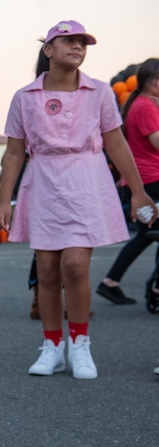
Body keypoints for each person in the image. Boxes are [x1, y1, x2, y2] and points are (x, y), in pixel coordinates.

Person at [0, 21, 157, 379]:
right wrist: (4, 201)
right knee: (48, 271)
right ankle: (52, 346)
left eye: (82, 42)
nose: (77, 47)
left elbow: (116, 143)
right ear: (48, 50)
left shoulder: (100, 92)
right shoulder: (25, 97)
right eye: (68, 41)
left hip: (87, 180)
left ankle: (80, 343)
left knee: (74, 266)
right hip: (43, 183)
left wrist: (138, 190)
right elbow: (14, 153)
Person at [97, 58, 159, 305]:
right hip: (151, 178)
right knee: (148, 232)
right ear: (148, 81)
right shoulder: (145, 106)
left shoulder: (141, 104)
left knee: (149, 232)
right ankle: (118, 282)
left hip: (145, 178)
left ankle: (115, 282)